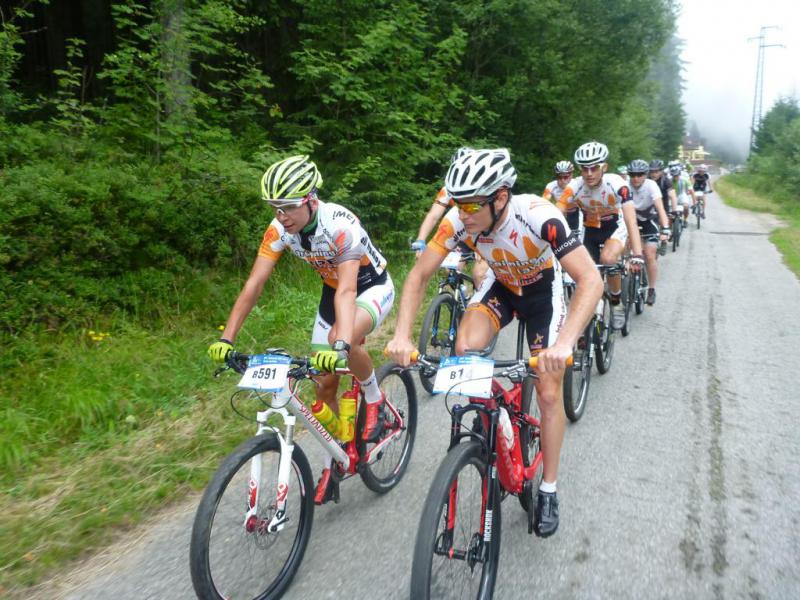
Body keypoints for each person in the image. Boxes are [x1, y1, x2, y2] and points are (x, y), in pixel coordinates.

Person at [387, 149, 603, 538]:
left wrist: (565, 344)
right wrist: (402, 335)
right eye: (456, 202)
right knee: (463, 350)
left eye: (471, 204)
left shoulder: (538, 215)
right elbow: (419, 276)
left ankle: (549, 489)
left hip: (542, 293)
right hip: (501, 286)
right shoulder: (458, 220)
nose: (462, 213)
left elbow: (591, 280)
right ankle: (498, 412)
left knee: (549, 390)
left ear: (500, 197)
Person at [208, 155, 395, 504]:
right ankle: (333, 463)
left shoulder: (340, 225)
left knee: (343, 339)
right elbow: (254, 284)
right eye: (275, 207)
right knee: (323, 385)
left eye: (289, 207)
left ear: (311, 199)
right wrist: (226, 338)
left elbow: (348, 291)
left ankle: (375, 399)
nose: (282, 216)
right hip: (333, 288)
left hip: (369, 285)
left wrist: (339, 343)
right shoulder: (279, 229)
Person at [556, 141, 644, 330]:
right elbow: (555, 218)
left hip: (615, 226)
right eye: (584, 169)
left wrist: (637, 254)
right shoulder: (573, 187)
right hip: (590, 230)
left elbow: (631, 221)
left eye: (594, 168)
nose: (589, 174)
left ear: (604, 167)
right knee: (582, 277)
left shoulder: (618, 184)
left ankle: (616, 299)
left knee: (608, 258)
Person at [411, 146, 489, 288]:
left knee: (479, 274)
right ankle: (462, 297)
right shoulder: (448, 189)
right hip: (463, 234)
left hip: (484, 236)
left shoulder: (484, 190)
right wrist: (420, 240)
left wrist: (484, 248)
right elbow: (433, 215)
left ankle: (481, 303)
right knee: (450, 269)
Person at [627, 159, 671, 305]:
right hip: (631, 220)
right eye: (632, 175)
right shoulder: (625, 186)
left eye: (639, 175)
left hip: (649, 220)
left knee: (650, 255)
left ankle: (651, 289)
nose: (636, 178)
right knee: (627, 250)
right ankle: (624, 278)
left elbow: (660, 208)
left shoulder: (651, 186)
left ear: (645, 175)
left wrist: (665, 228)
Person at [543, 160, 580, 233]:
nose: (563, 180)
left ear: (571, 175)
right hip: (560, 213)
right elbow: (544, 202)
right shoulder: (551, 186)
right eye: (559, 177)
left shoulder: (577, 184)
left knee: (577, 236)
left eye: (566, 177)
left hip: (576, 213)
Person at [668, 160, 695, 225]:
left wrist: (694, 203)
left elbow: (692, 191)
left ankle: (685, 219)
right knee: (669, 210)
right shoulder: (669, 180)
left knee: (686, 207)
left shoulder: (685, 179)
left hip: (681, 194)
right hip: (672, 196)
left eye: (677, 175)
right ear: (671, 175)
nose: (675, 177)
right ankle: (670, 225)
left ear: (679, 174)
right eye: (674, 175)